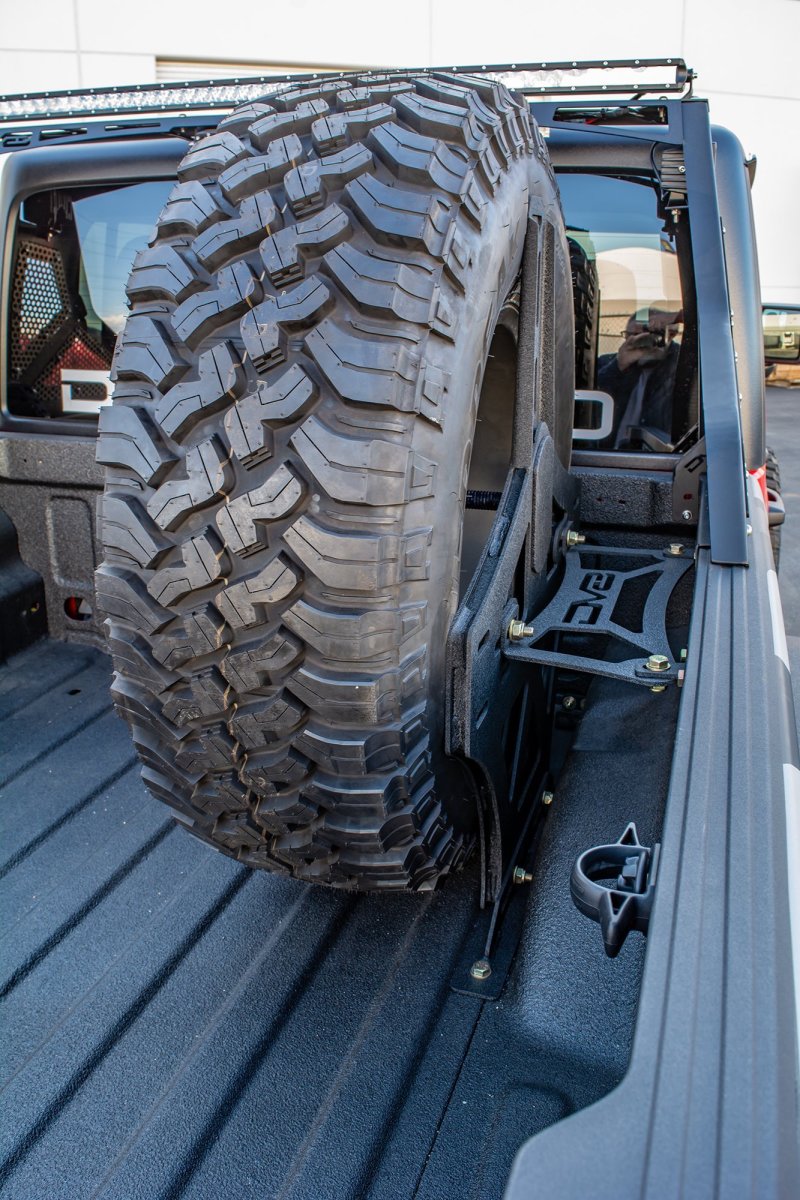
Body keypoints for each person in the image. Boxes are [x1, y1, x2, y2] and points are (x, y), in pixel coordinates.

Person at [597, 308, 683, 448]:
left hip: (656, 455)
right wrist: (618, 367)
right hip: (608, 452)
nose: (639, 341)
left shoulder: (680, 364)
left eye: (646, 335)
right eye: (632, 335)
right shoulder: (609, 362)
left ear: (670, 335)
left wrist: (676, 317)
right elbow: (586, 397)